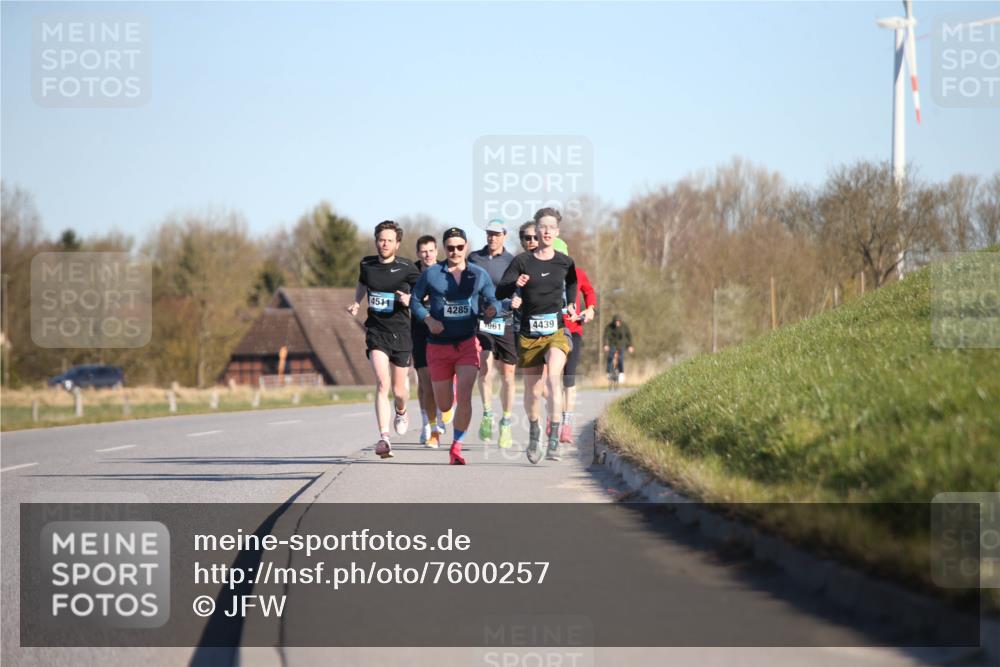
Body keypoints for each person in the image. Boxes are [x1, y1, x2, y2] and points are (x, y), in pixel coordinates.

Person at [410, 227, 501, 465]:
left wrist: (493, 309)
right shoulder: (432, 274)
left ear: (466, 246)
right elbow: (415, 300)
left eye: (460, 247)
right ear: (444, 248)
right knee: (444, 404)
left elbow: (493, 300)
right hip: (438, 346)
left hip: (467, 343)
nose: (455, 251)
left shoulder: (478, 274)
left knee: (465, 394)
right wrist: (428, 320)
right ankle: (446, 408)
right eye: (450, 247)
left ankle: (456, 446)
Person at [497, 208, 577, 464]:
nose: (546, 231)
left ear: (557, 232)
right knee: (533, 392)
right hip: (529, 334)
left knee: (553, 378)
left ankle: (554, 437)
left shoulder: (565, 262)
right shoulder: (522, 261)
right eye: (542, 227)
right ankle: (534, 431)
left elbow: (572, 282)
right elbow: (501, 291)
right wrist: (516, 286)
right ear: (536, 230)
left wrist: (571, 304)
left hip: (556, 331)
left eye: (551, 227)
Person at [347, 220, 422, 459]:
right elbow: (362, 282)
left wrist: (410, 300)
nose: (385, 244)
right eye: (381, 240)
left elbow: (424, 292)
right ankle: (384, 438)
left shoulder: (407, 268)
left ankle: (401, 410)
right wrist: (357, 302)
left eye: (389, 240)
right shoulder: (367, 264)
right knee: (382, 383)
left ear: (397, 244)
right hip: (376, 332)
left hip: (401, 333)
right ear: (376, 241)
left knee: (399, 391)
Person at [468, 218, 517, 448]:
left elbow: (518, 289)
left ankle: (506, 422)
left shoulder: (512, 261)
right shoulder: (474, 258)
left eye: (497, 234)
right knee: (485, 368)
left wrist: (514, 301)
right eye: (489, 233)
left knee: (508, 375)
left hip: (505, 321)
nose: (492, 237)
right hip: (483, 321)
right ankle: (487, 414)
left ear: (504, 236)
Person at [554, 240, 597, 445]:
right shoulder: (542, 275)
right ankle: (553, 418)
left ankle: (567, 423)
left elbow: (589, 291)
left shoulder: (577, 273)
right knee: (550, 379)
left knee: (568, 378)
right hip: (550, 332)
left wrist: (590, 309)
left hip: (573, 330)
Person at [411, 234, 445, 448]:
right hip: (418, 330)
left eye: (431, 250)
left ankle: (442, 412)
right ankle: (427, 424)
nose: (427, 255)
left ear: (436, 251)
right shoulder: (411, 272)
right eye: (423, 251)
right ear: (418, 253)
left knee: (440, 379)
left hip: (442, 329)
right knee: (425, 381)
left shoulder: (444, 270)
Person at [603, 314, 634, 380]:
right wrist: (606, 345)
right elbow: (606, 336)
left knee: (620, 358)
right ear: (614, 322)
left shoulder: (624, 326)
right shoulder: (609, 327)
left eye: (618, 321)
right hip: (612, 344)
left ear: (620, 321)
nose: (617, 323)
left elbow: (629, 336)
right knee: (610, 357)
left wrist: (630, 345)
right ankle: (608, 372)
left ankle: (621, 373)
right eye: (616, 321)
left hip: (621, 344)